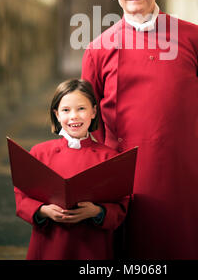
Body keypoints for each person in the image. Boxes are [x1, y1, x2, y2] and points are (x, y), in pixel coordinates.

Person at [81, 0, 198, 260]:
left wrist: (184, 142)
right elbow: (90, 119)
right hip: (126, 173)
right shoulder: (97, 49)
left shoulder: (193, 37)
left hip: (184, 169)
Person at [14, 78, 129, 260]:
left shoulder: (110, 158)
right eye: (66, 110)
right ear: (57, 115)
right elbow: (21, 196)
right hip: (50, 244)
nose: (74, 116)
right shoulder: (40, 153)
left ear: (93, 111)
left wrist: (97, 211)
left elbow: (122, 205)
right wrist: (43, 210)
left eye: (81, 109)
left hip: (91, 248)